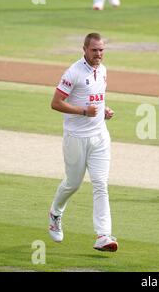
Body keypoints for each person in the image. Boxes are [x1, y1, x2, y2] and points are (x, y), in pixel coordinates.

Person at [48, 33, 118, 252]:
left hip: (100, 136)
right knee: (73, 183)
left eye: (101, 50)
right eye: (94, 50)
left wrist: (102, 111)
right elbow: (56, 103)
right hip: (76, 138)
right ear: (85, 50)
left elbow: (96, 97)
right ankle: (55, 213)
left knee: (100, 184)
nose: (98, 54)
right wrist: (83, 111)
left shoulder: (103, 70)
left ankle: (103, 235)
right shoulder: (74, 72)